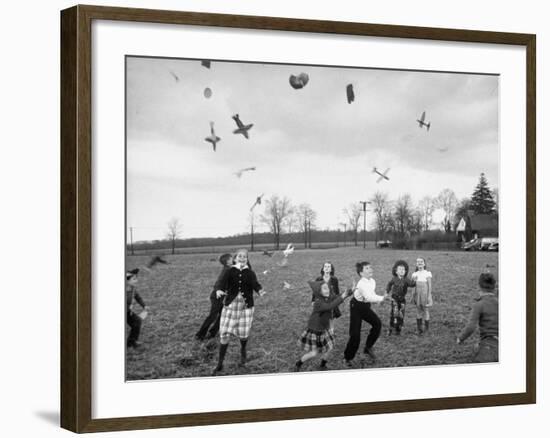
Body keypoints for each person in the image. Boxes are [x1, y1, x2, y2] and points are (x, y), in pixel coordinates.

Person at [212, 249, 265, 375]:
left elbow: (255, 284)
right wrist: (218, 290)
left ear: (247, 259)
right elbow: (220, 283)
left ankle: (243, 349)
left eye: (245, 257)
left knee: (243, 333)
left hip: (246, 308)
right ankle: (220, 362)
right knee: (224, 333)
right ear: (235, 259)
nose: (242, 258)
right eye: (240, 256)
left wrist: (260, 290)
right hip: (230, 306)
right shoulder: (229, 271)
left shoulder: (250, 273)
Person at [294, 281, 353, 371]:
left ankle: (323, 364)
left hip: (325, 329)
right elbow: (330, 306)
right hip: (315, 330)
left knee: (330, 347)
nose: (328, 290)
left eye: (328, 287)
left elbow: (337, 297)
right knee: (314, 353)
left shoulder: (328, 297)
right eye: (325, 288)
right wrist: (342, 296)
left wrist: (349, 291)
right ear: (319, 292)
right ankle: (299, 363)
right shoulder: (318, 303)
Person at [343, 262, 388, 366]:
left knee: (377, 324)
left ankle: (368, 347)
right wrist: (382, 298)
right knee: (355, 335)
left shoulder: (372, 281)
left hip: (365, 306)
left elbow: (372, 295)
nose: (370, 269)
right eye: (367, 268)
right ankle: (347, 358)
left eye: (370, 267)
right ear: (361, 273)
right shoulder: (361, 284)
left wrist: (380, 300)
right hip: (356, 307)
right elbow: (368, 297)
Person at [456, 273, 499, 363]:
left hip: (490, 343)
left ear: (478, 287)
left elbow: (471, 327)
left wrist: (460, 338)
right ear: (494, 287)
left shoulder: (479, 304)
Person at [195, 253, 233, 341]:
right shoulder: (227, 270)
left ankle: (212, 333)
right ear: (227, 262)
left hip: (221, 297)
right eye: (231, 259)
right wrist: (217, 289)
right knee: (212, 316)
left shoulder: (229, 268)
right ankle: (200, 335)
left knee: (223, 315)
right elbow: (218, 282)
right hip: (216, 296)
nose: (233, 260)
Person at [385, 260, 415, 335]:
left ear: (406, 271)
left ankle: (399, 329)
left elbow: (411, 284)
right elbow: (389, 284)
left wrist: (415, 280)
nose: (402, 271)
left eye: (403, 269)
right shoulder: (394, 278)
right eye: (400, 269)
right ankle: (391, 328)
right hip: (394, 298)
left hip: (402, 299)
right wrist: (387, 291)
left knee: (401, 314)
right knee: (394, 313)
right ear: (396, 271)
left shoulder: (406, 279)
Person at [126, 268, 147, 348]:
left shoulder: (133, 289)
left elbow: (138, 297)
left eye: (136, 278)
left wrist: (144, 306)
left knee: (137, 321)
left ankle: (132, 342)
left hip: (128, 312)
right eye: (134, 279)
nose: (136, 280)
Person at [411, 257, 433, 335]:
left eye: (421, 261)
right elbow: (413, 286)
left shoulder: (427, 273)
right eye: (418, 262)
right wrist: (413, 296)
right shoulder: (414, 274)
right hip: (417, 294)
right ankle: (419, 329)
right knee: (418, 310)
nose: (419, 263)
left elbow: (429, 286)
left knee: (426, 311)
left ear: (424, 263)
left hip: (425, 294)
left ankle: (426, 329)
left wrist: (429, 296)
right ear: (416, 264)